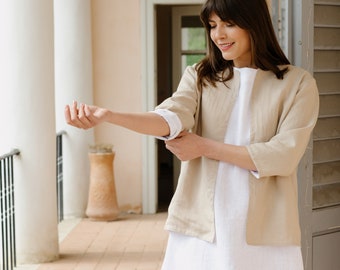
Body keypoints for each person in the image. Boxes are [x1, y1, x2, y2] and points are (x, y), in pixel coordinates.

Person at [65, 0, 319, 269]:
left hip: (268, 230)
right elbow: (169, 118)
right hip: (201, 224)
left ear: (254, 23)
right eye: (212, 26)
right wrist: (111, 116)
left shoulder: (297, 84)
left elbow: (283, 155)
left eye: (228, 24)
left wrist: (204, 147)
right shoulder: (201, 76)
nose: (218, 35)